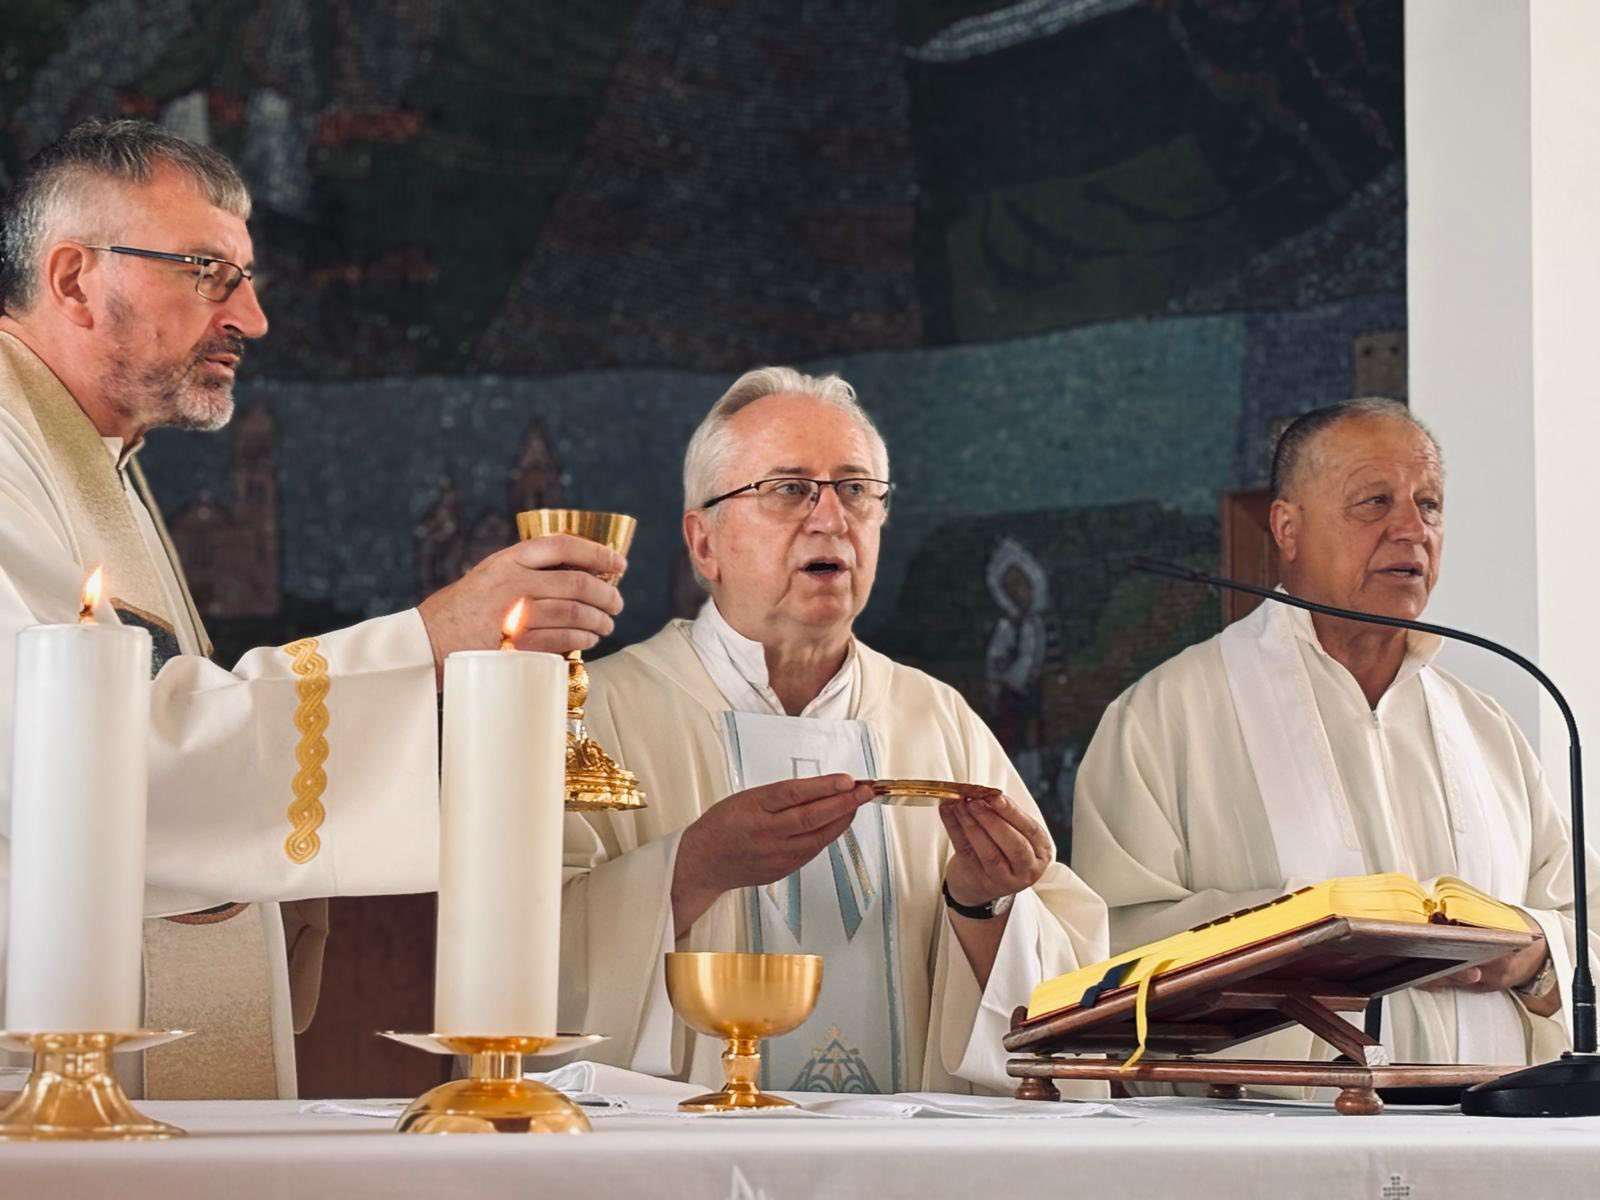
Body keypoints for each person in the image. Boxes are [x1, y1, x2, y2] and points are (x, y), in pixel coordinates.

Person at [0, 118, 624, 1098]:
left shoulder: (99, 457)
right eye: (207, 272)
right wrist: (429, 640)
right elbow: (78, 760)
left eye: (245, 279)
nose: (251, 318)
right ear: (75, 277)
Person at [559, 367, 1107, 1095]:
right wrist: (692, 869)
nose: (830, 518)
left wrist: (987, 904)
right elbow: (514, 955)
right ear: (704, 543)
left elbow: (1070, 995)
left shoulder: (935, 717)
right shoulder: (593, 714)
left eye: (855, 490)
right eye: (788, 489)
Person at [1072, 398, 1599, 1082]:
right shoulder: (1166, 716)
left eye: (1430, 504)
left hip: (1487, 1146)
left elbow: (1575, 926)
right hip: (1278, 1150)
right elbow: (1107, 948)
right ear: (1287, 528)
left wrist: (1532, 954)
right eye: (1374, 502)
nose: (1411, 530)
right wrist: (1323, 935)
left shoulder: (1486, 727)